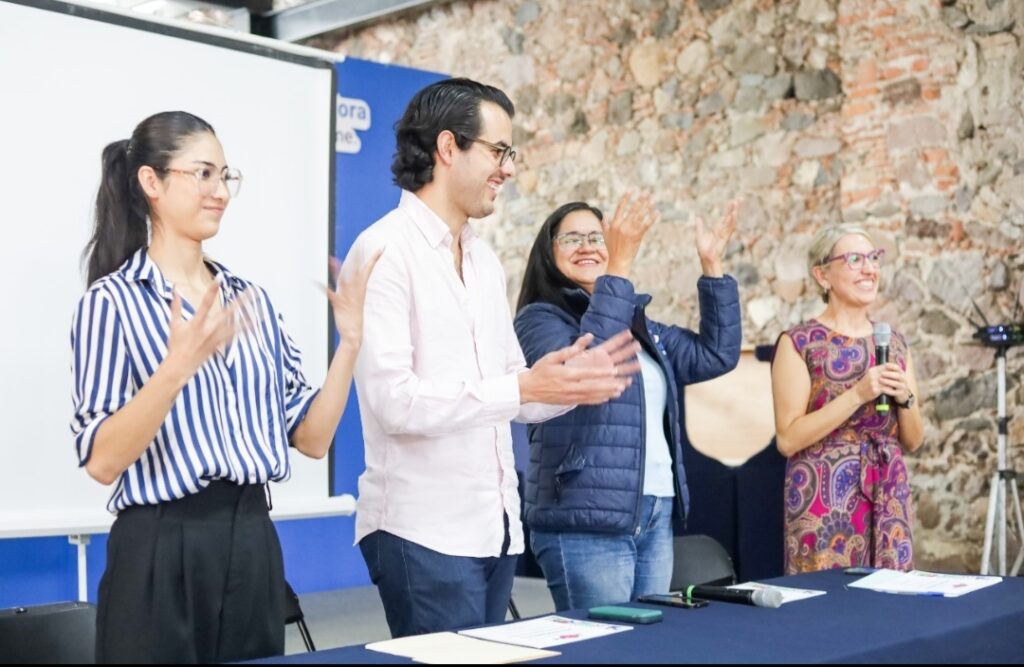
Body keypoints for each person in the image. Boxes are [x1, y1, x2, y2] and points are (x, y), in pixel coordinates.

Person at [70, 111, 379, 663]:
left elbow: (312, 439)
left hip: (252, 539)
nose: (220, 192)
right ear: (151, 182)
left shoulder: (249, 299)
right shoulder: (111, 302)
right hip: (160, 546)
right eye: (203, 174)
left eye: (225, 176)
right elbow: (102, 461)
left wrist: (350, 343)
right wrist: (175, 370)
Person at [341, 78, 641, 637]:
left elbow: (514, 390)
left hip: (495, 530)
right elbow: (394, 404)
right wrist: (524, 388)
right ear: (448, 147)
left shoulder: (483, 261)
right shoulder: (384, 250)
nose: (508, 169)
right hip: (421, 529)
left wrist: (566, 386)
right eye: (499, 151)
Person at [513, 193, 743, 611]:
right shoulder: (539, 319)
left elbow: (715, 354)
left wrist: (712, 267)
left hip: (654, 508)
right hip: (585, 517)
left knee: (646, 642)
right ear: (548, 252)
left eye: (597, 237)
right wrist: (617, 267)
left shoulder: (639, 326)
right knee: (603, 642)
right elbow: (590, 365)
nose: (587, 246)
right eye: (572, 239)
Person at [771, 224, 923, 574]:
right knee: (827, 600)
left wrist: (906, 398)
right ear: (822, 275)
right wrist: (857, 394)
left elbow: (914, 440)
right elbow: (788, 439)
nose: (869, 269)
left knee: (891, 598)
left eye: (873, 258)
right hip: (823, 500)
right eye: (854, 259)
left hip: (888, 492)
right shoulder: (800, 343)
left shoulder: (895, 344)